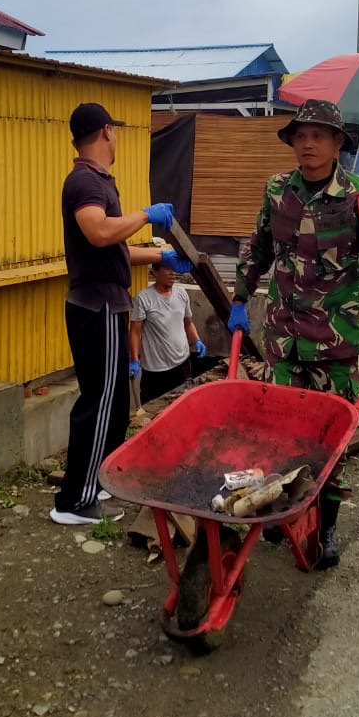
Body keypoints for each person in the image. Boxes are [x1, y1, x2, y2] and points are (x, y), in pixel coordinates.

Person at [229, 99, 359, 569]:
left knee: (331, 440)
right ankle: (278, 510)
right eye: (300, 135)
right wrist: (239, 298)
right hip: (282, 340)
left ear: (338, 143)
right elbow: (259, 247)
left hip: (333, 345)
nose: (307, 143)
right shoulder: (277, 191)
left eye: (319, 135)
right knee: (278, 434)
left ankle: (328, 524)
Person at [52, 102, 193, 526]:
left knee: (112, 404)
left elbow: (115, 247)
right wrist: (146, 214)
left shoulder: (98, 182)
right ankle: (75, 501)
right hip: (97, 307)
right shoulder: (85, 182)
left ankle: (96, 484)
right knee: (100, 402)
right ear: (107, 132)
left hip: (106, 304)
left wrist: (161, 255)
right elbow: (99, 233)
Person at [129, 263, 206, 404]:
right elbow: (135, 331)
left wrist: (197, 340)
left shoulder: (181, 294)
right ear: (155, 272)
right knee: (154, 410)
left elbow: (188, 322)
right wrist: (134, 359)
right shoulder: (144, 298)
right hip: (155, 369)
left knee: (183, 406)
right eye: (167, 268)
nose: (173, 273)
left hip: (182, 364)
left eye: (174, 268)